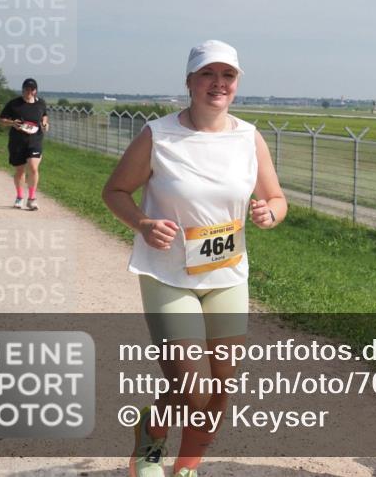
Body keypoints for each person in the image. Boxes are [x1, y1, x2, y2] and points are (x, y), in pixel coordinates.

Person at [102, 40, 287, 477]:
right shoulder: (158, 135)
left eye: (227, 75)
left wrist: (269, 213)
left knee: (221, 386)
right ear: (189, 82)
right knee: (194, 386)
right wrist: (143, 224)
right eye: (207, 74)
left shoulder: (248, 137)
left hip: (226, 274)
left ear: (237, 84)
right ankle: (151, 437)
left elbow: (277, 198)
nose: (217, 83)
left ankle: (187, 466)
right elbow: (114, 191)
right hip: (167, 274)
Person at [0, 78, 49, 210]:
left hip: (35, 139)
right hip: (17, 141)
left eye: (32, 89)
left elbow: (44, 115)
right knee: (20, 171)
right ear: (23, 89)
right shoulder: (14, 104)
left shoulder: (41, 103)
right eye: (26, 89)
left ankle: (32, 198)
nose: (29, 91)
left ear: (35, 91)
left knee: (33, 167)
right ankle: (19, 197)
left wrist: (45, 123)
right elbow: (2, 119)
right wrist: (12, 123)